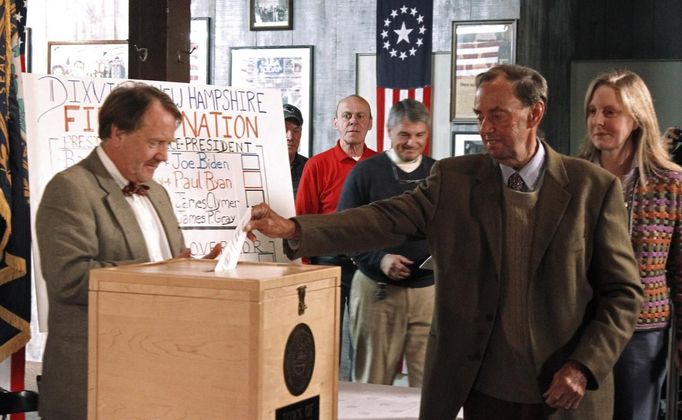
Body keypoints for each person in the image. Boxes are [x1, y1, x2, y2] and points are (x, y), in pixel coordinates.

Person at [245, 64, 644, 420]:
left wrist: (583, 366)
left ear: (534, 112)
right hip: (484, 392)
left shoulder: (593, 189)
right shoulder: (455, 180)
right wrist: (295, 229)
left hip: (564, 395)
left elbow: (623, 294)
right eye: (479, 116)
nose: (484, 128)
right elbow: (382, 218)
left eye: (497, 116)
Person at [35, 83, 220, 419]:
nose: (164, 155)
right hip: (94, 375)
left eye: (167, 144)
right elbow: (70, 279)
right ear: (117, 133)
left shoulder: (157, 192)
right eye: (154, 143)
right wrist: (163, 271)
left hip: (157, 370)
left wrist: (195, 270)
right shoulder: (70, 189)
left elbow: (167, 267)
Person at [579, 70, 682, 420]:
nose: (598, 121)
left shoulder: (670, 183)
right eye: (592, 111)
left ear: (636, 118)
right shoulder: (573, 178)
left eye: (610, 112)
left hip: (643, 330)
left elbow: (680, 268)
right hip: (582, 326)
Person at [337, 98, 435, 387]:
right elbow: (345, 232)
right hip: (376, 292)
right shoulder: (365, 173)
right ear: (389, 132)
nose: (412, 143)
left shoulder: (440, 173)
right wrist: (380, 259)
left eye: (419, 135)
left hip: (428, 294)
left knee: (429, 387)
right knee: (372, 383)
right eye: (404, 134)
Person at [295, 94, 378, 376]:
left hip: (368, 265)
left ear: (370, 124)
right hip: (326, 264)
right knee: (324, 337)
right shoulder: (316, 165)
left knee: (364, 342)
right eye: (346, 116)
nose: (353, 121)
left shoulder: (381, 166)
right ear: (336, 123)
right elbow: (303, 219)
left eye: (360, 116)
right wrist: (305, 268)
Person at [283, 103, 308, 197]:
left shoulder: (309, 167)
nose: (290, 137)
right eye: (284, 129)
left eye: (296, 131)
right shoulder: (261, 167)